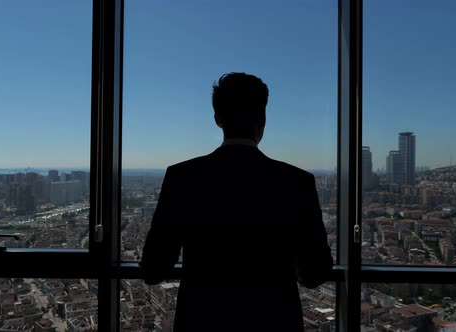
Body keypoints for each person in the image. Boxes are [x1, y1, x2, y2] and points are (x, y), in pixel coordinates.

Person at [140, 72, 333, 332]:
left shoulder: (182, 178)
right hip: (275, 321)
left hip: (202, 320)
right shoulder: (296, 182)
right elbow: (315, 273)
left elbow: (154, 269)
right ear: (262, 120)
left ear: (218, 119)